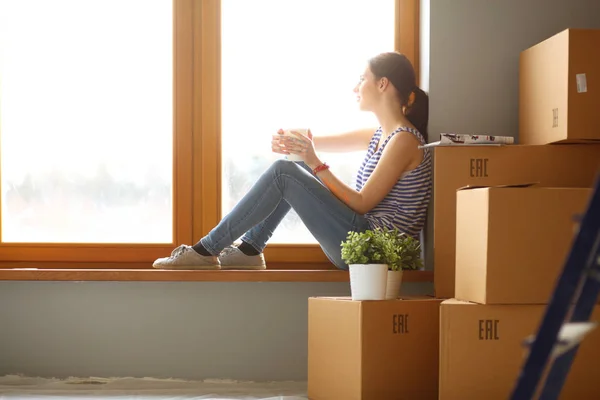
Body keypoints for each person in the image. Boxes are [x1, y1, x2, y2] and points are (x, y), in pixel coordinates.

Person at [152, 51, 432, 271]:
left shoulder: (404, 140)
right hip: (361, 240)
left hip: (373, 250)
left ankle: (205, 251)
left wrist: (314, 161)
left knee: (285, 172)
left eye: (362, 78)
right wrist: (295, 144)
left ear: (383, 84)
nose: (356, 86)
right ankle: (250, 250)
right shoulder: (381, 135)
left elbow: (362, 203)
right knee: (292, 166)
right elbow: (313, 144)